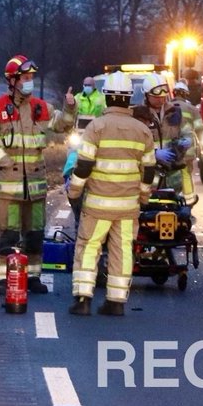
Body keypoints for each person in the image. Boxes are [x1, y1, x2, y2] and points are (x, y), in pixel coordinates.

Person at [0, 54, 76, 291]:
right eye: (25, 77)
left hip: (36, 187)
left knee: (34, 235)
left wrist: (70, 106)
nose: (29, 80)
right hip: (9, 187)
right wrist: (3, 160)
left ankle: (33, 277)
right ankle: (3, 279)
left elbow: (63, 124)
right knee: (9, 236)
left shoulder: (41, 107)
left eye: (32, 76)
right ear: (12, 80)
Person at [66, 71, 155, 316]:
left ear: (107, 97)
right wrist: (144, 197)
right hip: (127, 208)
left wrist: (74, 192)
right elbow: (149, 171)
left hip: (97, 205)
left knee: (89, 247)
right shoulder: (142, 130)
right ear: (129, 98)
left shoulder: (96, 127)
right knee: (122, 250)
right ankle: (116, 302)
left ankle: (83, 300)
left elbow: (83, 166)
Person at [132, 72, 194, 196]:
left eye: (163, 95)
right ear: (147, 95)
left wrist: (187, 141)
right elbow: (134, 146)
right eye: (156, 96)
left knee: (177, 213)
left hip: (173, 177)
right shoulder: (139, 116)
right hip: (149, 177)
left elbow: (188, 132)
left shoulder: (175, 112)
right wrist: (155, 154)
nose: (161, 99)